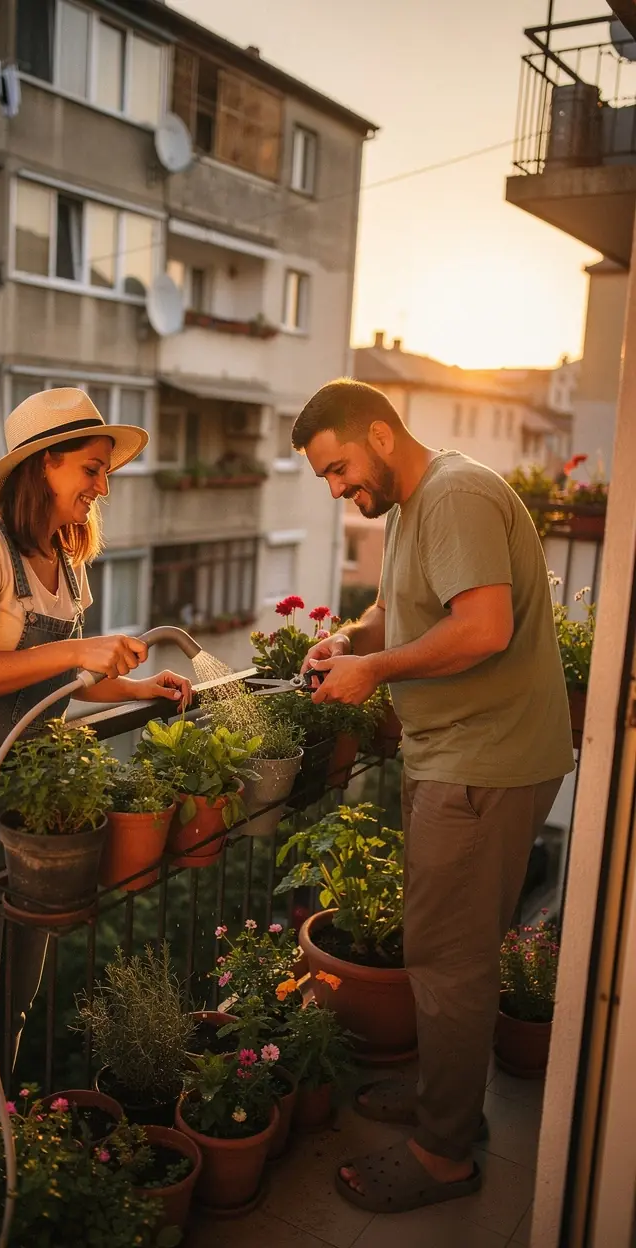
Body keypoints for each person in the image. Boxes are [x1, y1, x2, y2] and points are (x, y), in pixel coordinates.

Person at [295, 379, 574, 1215]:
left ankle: (445, 1151)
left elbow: (483, 627)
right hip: (460, 754)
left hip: (482, 763)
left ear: (380, 434)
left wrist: (372, 671)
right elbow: (397, 609)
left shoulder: (452, 495)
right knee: (442, 946)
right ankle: (442, 1103)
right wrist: (347, 640)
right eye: (326, 482)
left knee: (450, 963)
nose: (340, 490)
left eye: (339, 469)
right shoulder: (418, 504)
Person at [0, 388, 192, 1159]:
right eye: (92, 468)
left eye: (105, 472)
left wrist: (135, 687)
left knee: (12, 1007)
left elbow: (72, 684)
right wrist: (75, 650)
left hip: (26, 802)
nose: (103, 485)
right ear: (43, 464)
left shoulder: (61, 554)